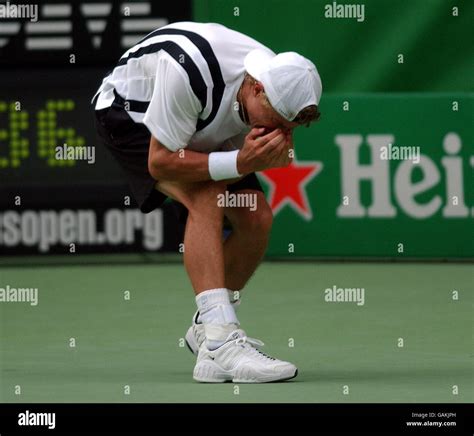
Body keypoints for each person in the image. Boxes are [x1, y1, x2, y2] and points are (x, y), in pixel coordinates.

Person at [92, 21, 322, 383]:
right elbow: (161, 161)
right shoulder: (190, 73)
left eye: (289, 129)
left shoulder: (280, 83)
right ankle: (219, 343)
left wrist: (265, 153)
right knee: (205, 194)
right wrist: (243, 163)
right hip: (131, 116)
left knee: (256, 218)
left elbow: (262, 145)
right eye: (278, 124)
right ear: (257, 89)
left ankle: (208, 332)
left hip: (202, 125)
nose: (281, 135)